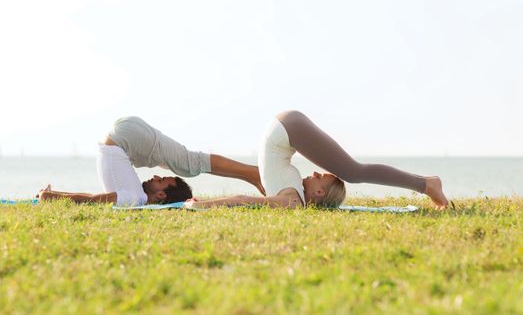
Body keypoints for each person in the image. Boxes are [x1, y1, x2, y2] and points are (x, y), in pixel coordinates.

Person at [184, 110, 449, 210]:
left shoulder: (292, 201)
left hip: (286, 128)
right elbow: (249, 200)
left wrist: (203, 205)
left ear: (319, 192)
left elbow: (245, 201)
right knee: (354, 173)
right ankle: (426, 184)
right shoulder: (294, 195)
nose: (314, 173)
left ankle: (427, 184)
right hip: (287, 129)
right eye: (319, 174)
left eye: (320, 176)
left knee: (354, 173)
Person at [38, 116, 264, 206]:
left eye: (161, 180)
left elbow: (94, 199)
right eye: (162, 179)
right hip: (126, 137)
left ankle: (254, 174)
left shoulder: (134, 195)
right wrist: (52, 197)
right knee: (189, 164)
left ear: (161, 195)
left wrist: (53, 195)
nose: (155, 175)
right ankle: (254, 173)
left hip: (124, 137)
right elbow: (93, 200)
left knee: (185, 163)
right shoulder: (135, 196)